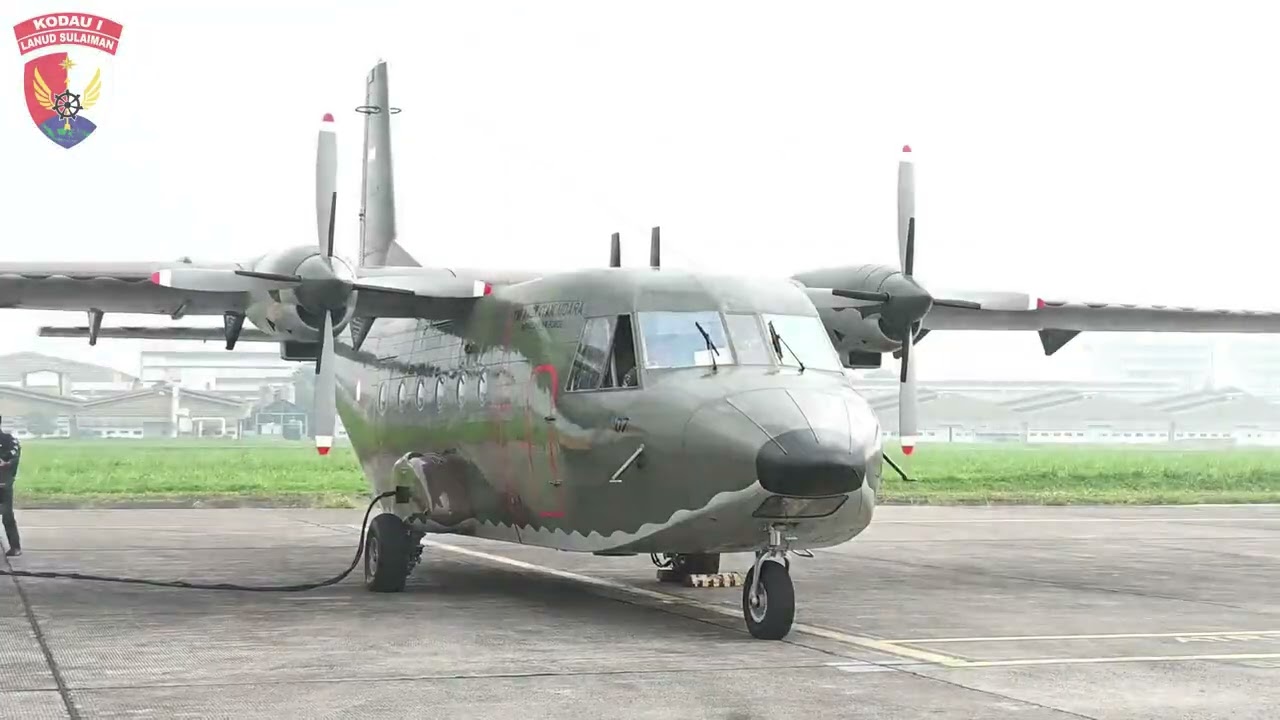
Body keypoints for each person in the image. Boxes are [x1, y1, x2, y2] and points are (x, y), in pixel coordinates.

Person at [0, 416, 21, 557]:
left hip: (3, 482)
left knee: (7, 515)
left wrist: (6, 463)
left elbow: (15, 455)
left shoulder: (9, 440)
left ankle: (15, 547)